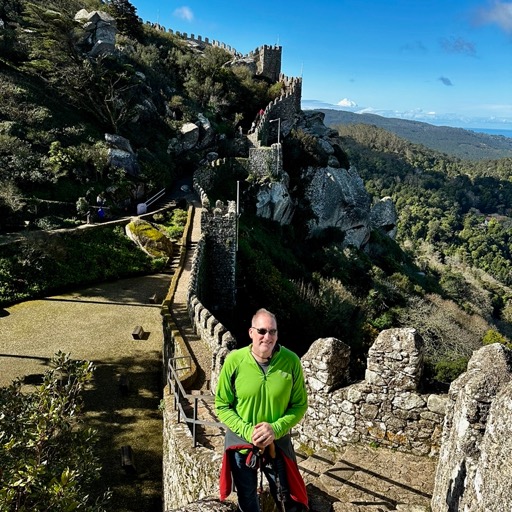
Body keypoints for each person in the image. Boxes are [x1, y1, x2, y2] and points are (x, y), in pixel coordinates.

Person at [215, 308, 309, 511]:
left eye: (272, 331)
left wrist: (275, 429)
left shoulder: (291, 361)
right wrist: (249, 432)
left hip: (278, 443)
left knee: (286, 497)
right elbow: (222, 405)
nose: (267, 337)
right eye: (262, 331)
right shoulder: (235, 361)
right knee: (247, 501)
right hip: (242, 444)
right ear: (251, 333)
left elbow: (299, 405)